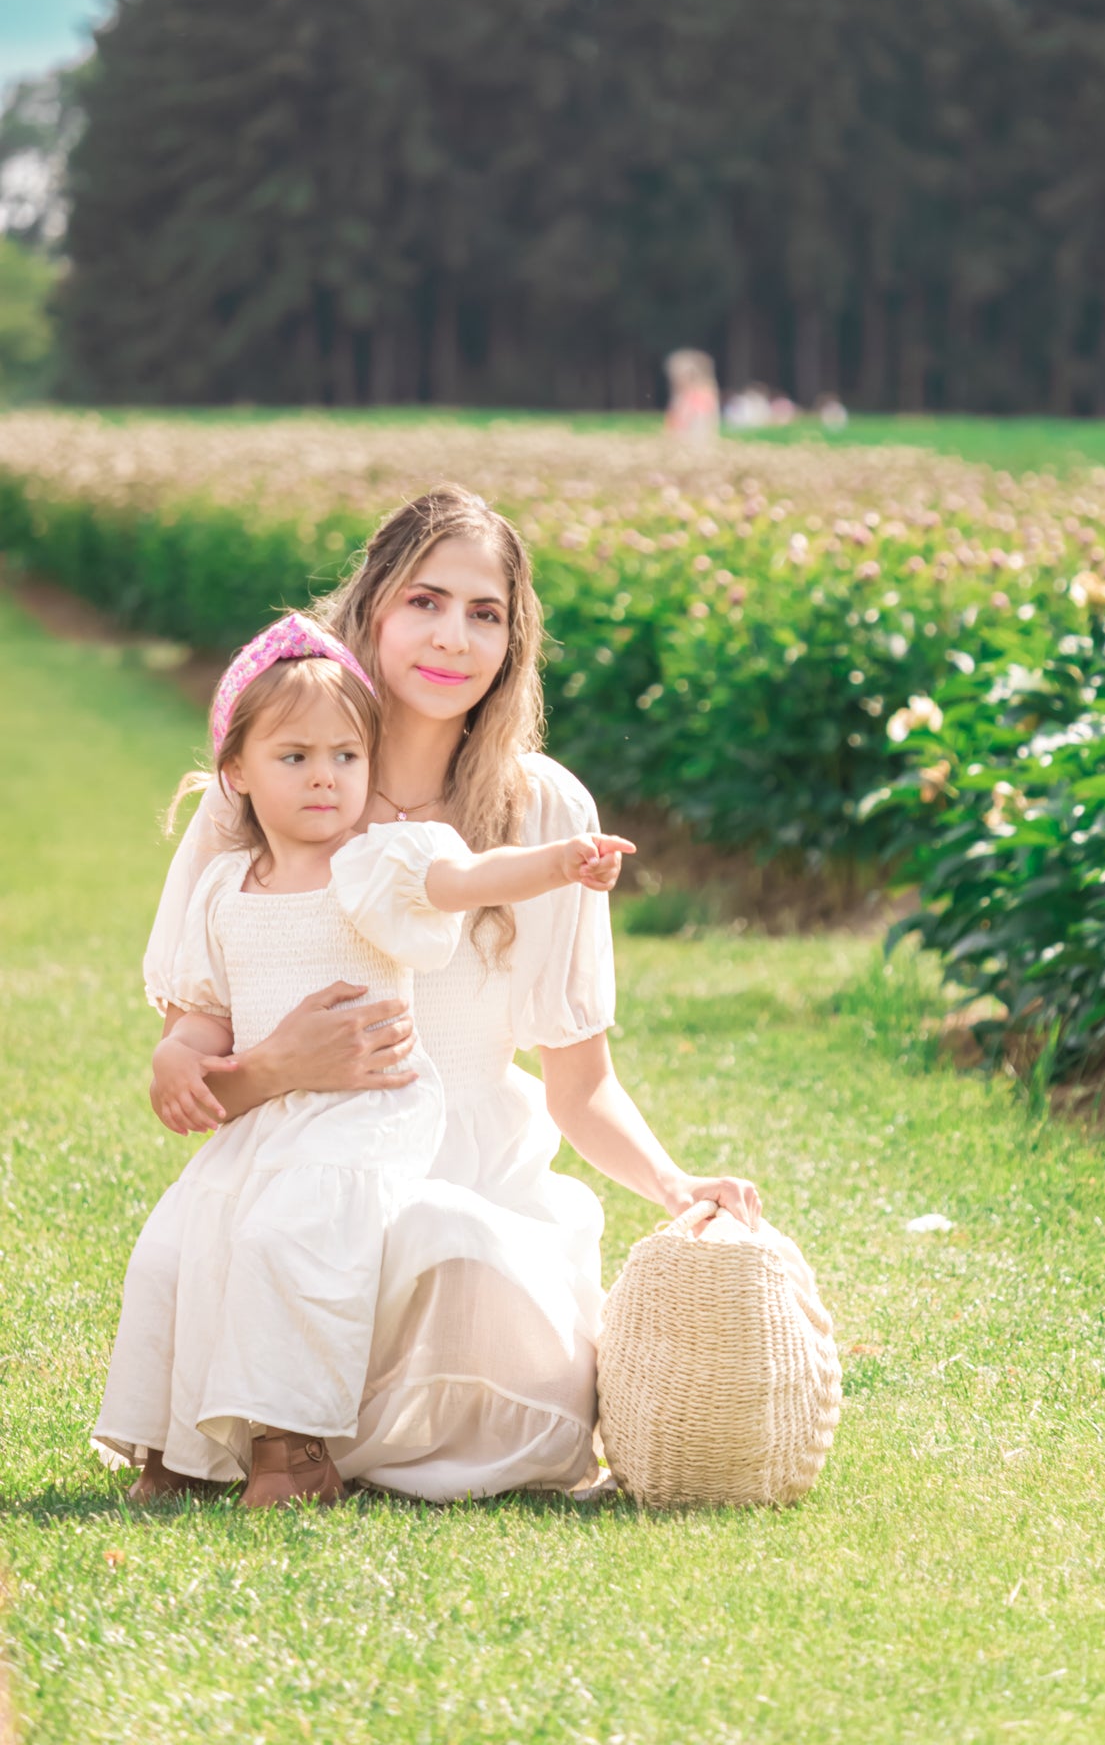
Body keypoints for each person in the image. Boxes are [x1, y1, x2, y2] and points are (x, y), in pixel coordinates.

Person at [128, 485, 761, 1502]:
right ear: (371, 607)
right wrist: (283, 1062)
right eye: (425, 600)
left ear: (513, 642)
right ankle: (286, 1430)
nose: (452, 637)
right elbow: (195, 1084)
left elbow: (578, 1083)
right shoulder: (274, 790)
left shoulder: (545, 807)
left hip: (473, 1179)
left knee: (448, 1250)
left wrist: (677, 1185)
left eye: (486, 612)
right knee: (309, 1246)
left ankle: (310, 1429)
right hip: (302, 1168)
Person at [94, 612, 632, 1507]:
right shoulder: (227, 885)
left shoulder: (375, 863)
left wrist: (557, 863)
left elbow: (465, 879)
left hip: (364, 1115)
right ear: (236, 772)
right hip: (268, 1122)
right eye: (294, 757)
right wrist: (175, 1063)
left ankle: (293, 1452)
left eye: (347, 757)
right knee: (173, 1247)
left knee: (287, 1238)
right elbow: (200, 1017)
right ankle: (176, 1448)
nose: (324, 778)